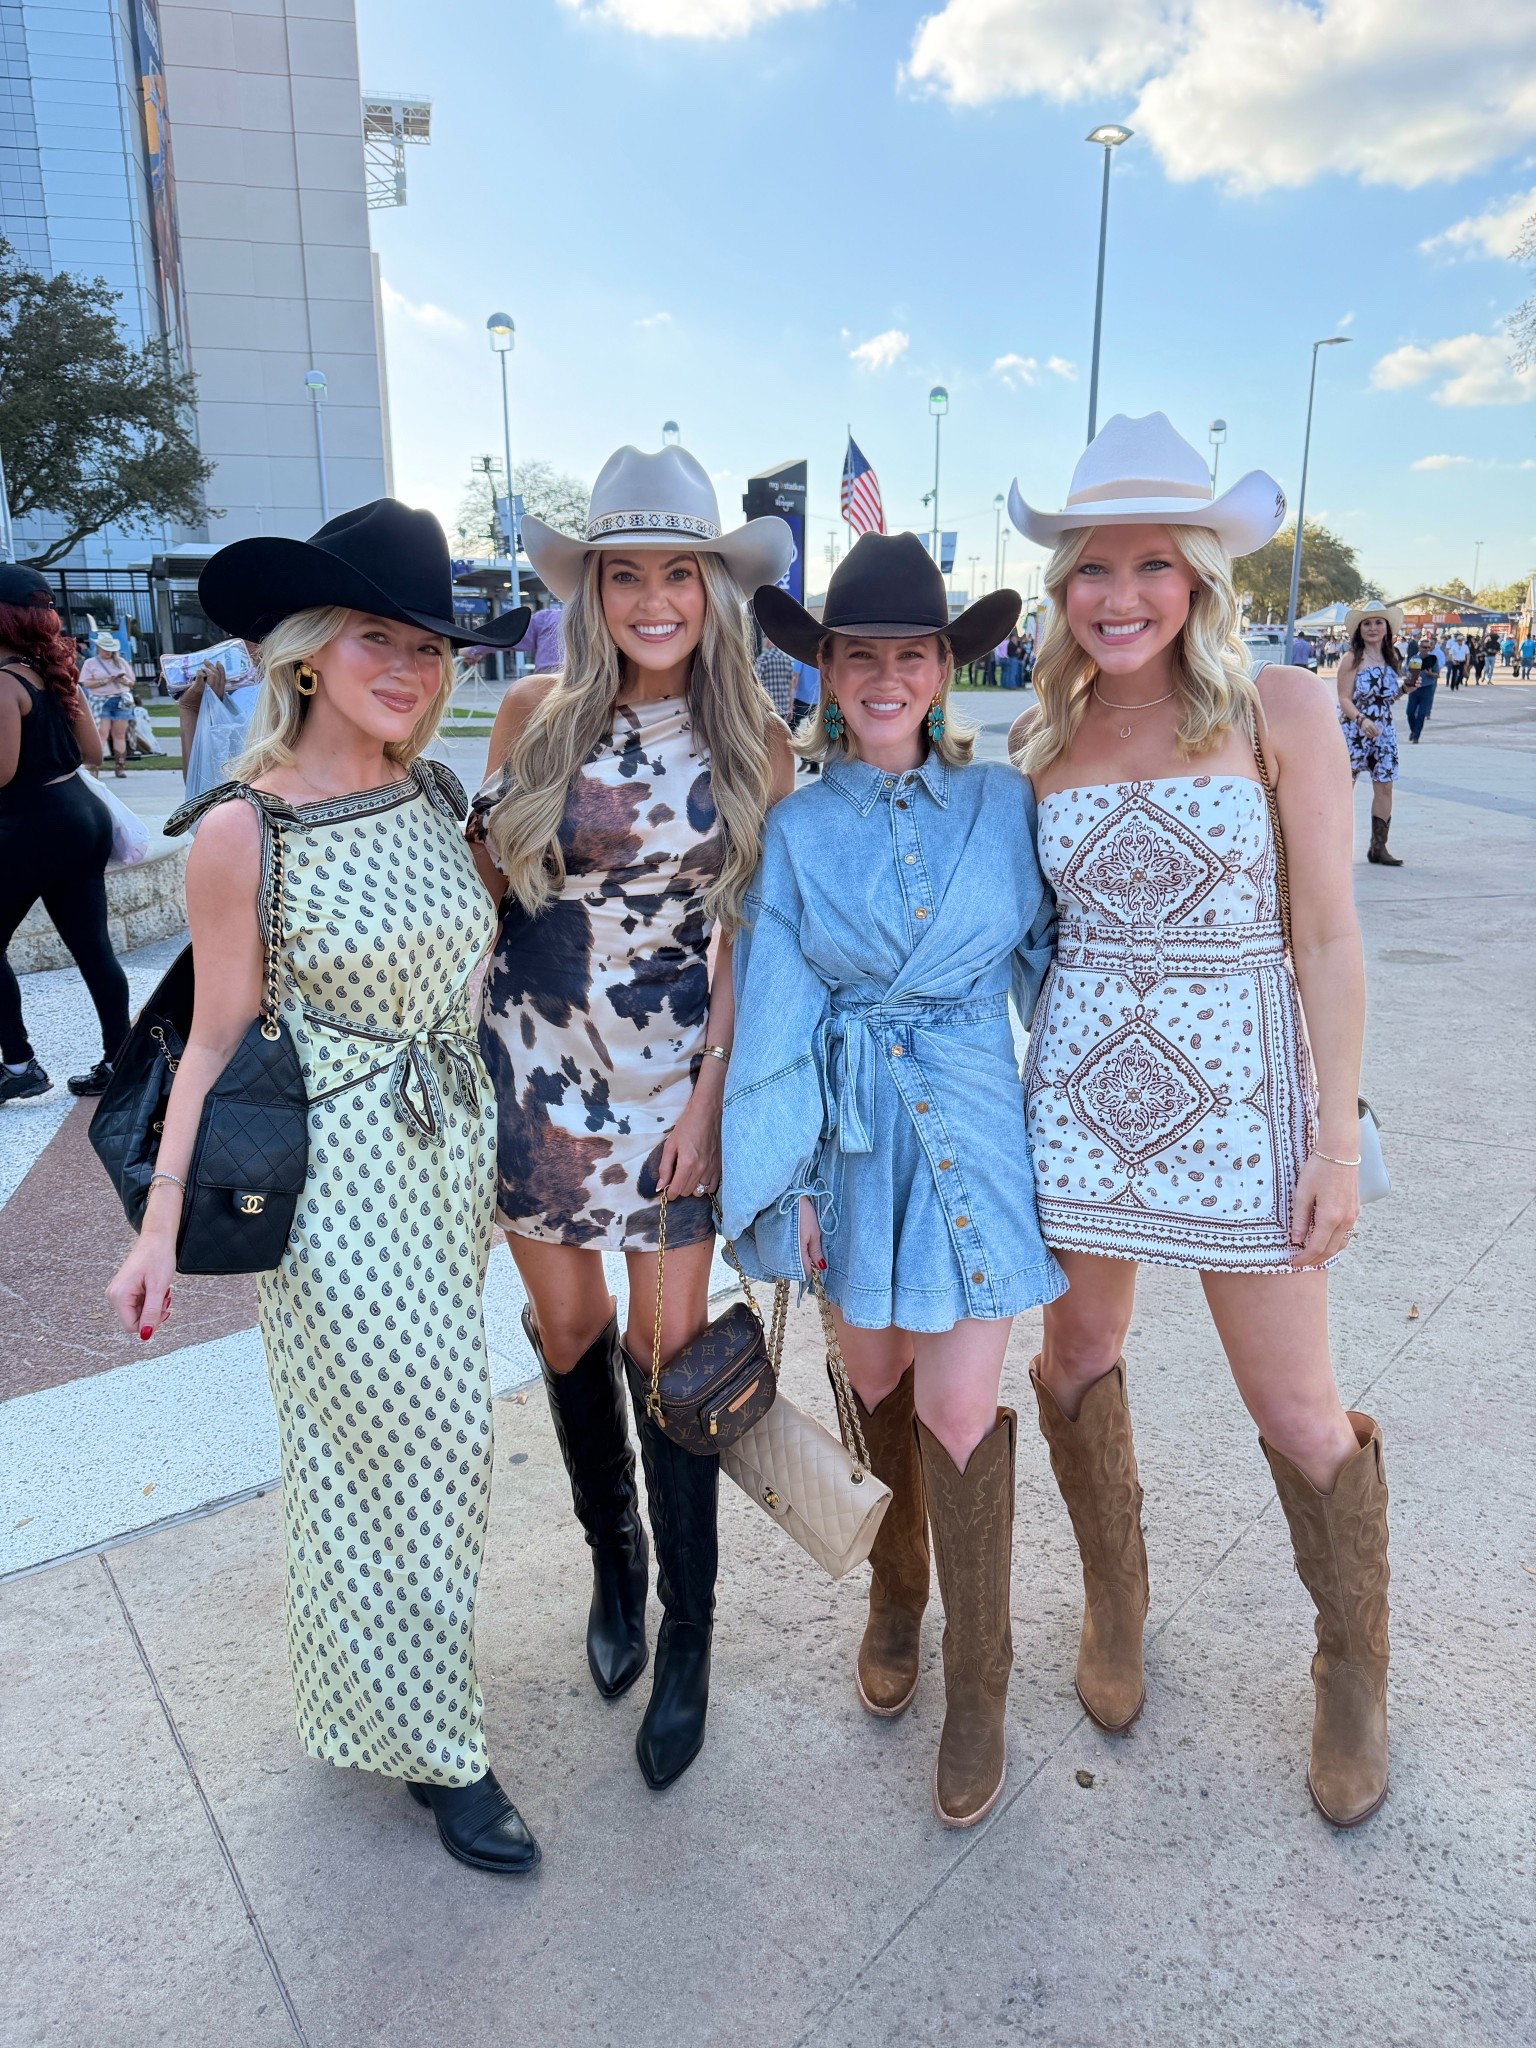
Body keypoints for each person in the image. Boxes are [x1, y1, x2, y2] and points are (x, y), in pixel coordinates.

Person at [105, 500, 543, 1877]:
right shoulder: (246, 830)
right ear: (308, 653)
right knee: (424, 1449)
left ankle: (377, 1706)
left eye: (429, 646)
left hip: (446, 1163)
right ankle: (445, 1753)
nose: (409, 668)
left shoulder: (432, 793)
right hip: (340, 1186)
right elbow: (214, 1034)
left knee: (388, 1460)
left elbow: (464, 958)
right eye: (377, 639)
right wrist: (159, 1224)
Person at [1007, 412, 1389, 1830]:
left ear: (1202, 578)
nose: (1117, 595)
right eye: (1091, 568)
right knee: (1079, 1352)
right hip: (1084, 1102)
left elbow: (1333, 941)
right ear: (1061, 591)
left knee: (1294, 1402)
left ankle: (1354, 1667)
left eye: (1151, 565)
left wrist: (1335, 1142)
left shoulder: (1281, 711)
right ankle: (1115, 1597)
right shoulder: (1040, 736)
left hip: (1250, 1105)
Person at [722, 534, 1063, 1830]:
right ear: (826, 671)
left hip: (975, 1129)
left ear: (941, 669)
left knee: (964, 1408)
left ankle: (981, 1683)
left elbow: (1057, 973)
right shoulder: (799, 832)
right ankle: (895, 1591)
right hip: (856, 1142)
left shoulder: (1005, 806)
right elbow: (781, 1015)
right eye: (858, 653)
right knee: (873, 1380)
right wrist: (790, 1175)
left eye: (907, 654)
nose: (882, 675)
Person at [470, 444, 794, 1792]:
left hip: (674, 1087)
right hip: (537, 1072)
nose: (654, 597)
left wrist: (715, 1103)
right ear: (591, 587)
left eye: (680, 573)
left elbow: (753, 942)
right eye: (627, 574)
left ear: (713, 592)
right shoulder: (533, 716)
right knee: (571, 1332)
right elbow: (488, 889)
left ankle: (691, 1638)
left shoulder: (754, 736)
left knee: (672, 1358)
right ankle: (616, 1567)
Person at [0, 565, 132, 1103]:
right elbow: (93, 755)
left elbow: (2, 774)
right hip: (79, 816)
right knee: (93, 946)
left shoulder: (5, 684)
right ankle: (120, 1060)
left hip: (29, 824)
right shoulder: (56, 674)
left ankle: (18, 1064)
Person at [1336, 600, 1408, 866]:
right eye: (1367, 623)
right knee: (1345, 788)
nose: (1373, 628)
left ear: (1387, 628)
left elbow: (1386, 698)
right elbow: (1344, 698)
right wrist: (1361, 720)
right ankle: (1336, 848)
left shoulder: (1392, 658)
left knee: (1385, 786)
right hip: (1354, 731)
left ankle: (1379, 848)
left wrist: (1405, 690)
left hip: (1384, 733)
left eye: (1378, 622)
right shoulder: (1352, 658)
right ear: (1359, 630)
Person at [79, 631, 136, 778]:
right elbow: (85, 683)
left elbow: (132, 682)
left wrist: (122, 681)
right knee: (101, 733)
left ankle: (120, 765)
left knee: (119, 734)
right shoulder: (90, 663)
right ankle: (94, 766)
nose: (108, 652)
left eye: (111, 650)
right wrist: (105, 681)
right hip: (101, 700)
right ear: (98, 648)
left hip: (121, 699)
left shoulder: (121, 662)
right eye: (105, 649)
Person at [1403, 625, 1443, 742]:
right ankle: (1413, 730)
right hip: (1415, 688)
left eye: (1427, 647)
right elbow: (1407, 672)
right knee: (1410, 712)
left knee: (1421, 714)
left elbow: (1437, 675)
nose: (1425, 649)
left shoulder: (1432, 659)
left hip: (1427, 688)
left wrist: (1430, 673)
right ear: (1419, 648)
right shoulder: (1414, 658)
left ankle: (1416, 736)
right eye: (1423, 647)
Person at [513, 595, 565, 675]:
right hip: (580, 677)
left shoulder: (546, 618)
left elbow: (515, 638)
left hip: (546, 675)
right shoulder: (545, 618)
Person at [753, 633, 797, 722]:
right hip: (784, 707)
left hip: (769, 708)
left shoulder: (763, 659)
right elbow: (791, 686)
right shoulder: (786, 658)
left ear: (769, 640)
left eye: (765, 638)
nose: (764, 641)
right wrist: (790, 707)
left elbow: (755, 683)